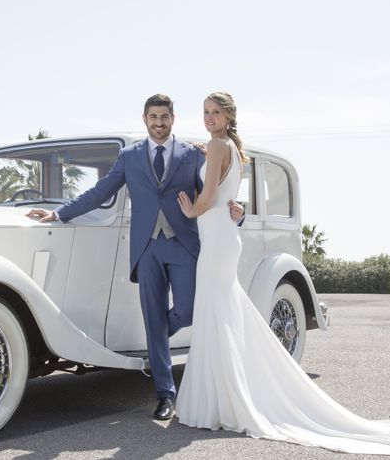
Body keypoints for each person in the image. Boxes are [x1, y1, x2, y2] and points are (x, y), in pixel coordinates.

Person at [174, 92, 390, 454]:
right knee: (223, 312)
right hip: (224, 238)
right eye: (205, 112)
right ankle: (225, 396)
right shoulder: (227, 147)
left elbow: (210, 195)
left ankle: (221, 398)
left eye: (216, 112)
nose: (209, 118)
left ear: (229, 117)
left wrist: (189, 210)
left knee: (218, 311)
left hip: (216, 239)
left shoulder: (219, 147)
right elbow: (225, 191)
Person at [27, 94, 242, 421]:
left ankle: (156, 336)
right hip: (146, 249)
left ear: (173, 118)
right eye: (153, 117)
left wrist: (239, 212)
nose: (159, 123)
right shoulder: (129, 157)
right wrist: (60, 214)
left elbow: (220, 184)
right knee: (153, 315)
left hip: (183, 244)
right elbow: (101, 191)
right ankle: (165, 394)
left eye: (164, 117)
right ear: (145, 120)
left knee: (186, 311)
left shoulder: (192, 153)